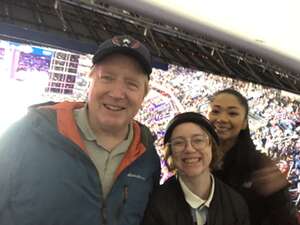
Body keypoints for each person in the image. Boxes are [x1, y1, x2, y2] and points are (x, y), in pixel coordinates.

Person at [0, 35, 161, 225]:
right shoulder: (29, 133)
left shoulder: (147, 157)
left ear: (145, 93)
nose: (117, 93)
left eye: (131, 84)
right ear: (90, 79)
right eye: (107, 78)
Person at [207, 88, 298, 225]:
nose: (222, 119)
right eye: (216, 111)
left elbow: (286, 219)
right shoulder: (196, 159)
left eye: (232, 113)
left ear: (244, 123)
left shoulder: (260, 165)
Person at [141, 112, 250, 225]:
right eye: (179, 142)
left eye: (198, 140)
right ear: (171, 152)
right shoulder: (156, 205)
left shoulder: (235, 205)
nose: (189, 149)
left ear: (211, 146)